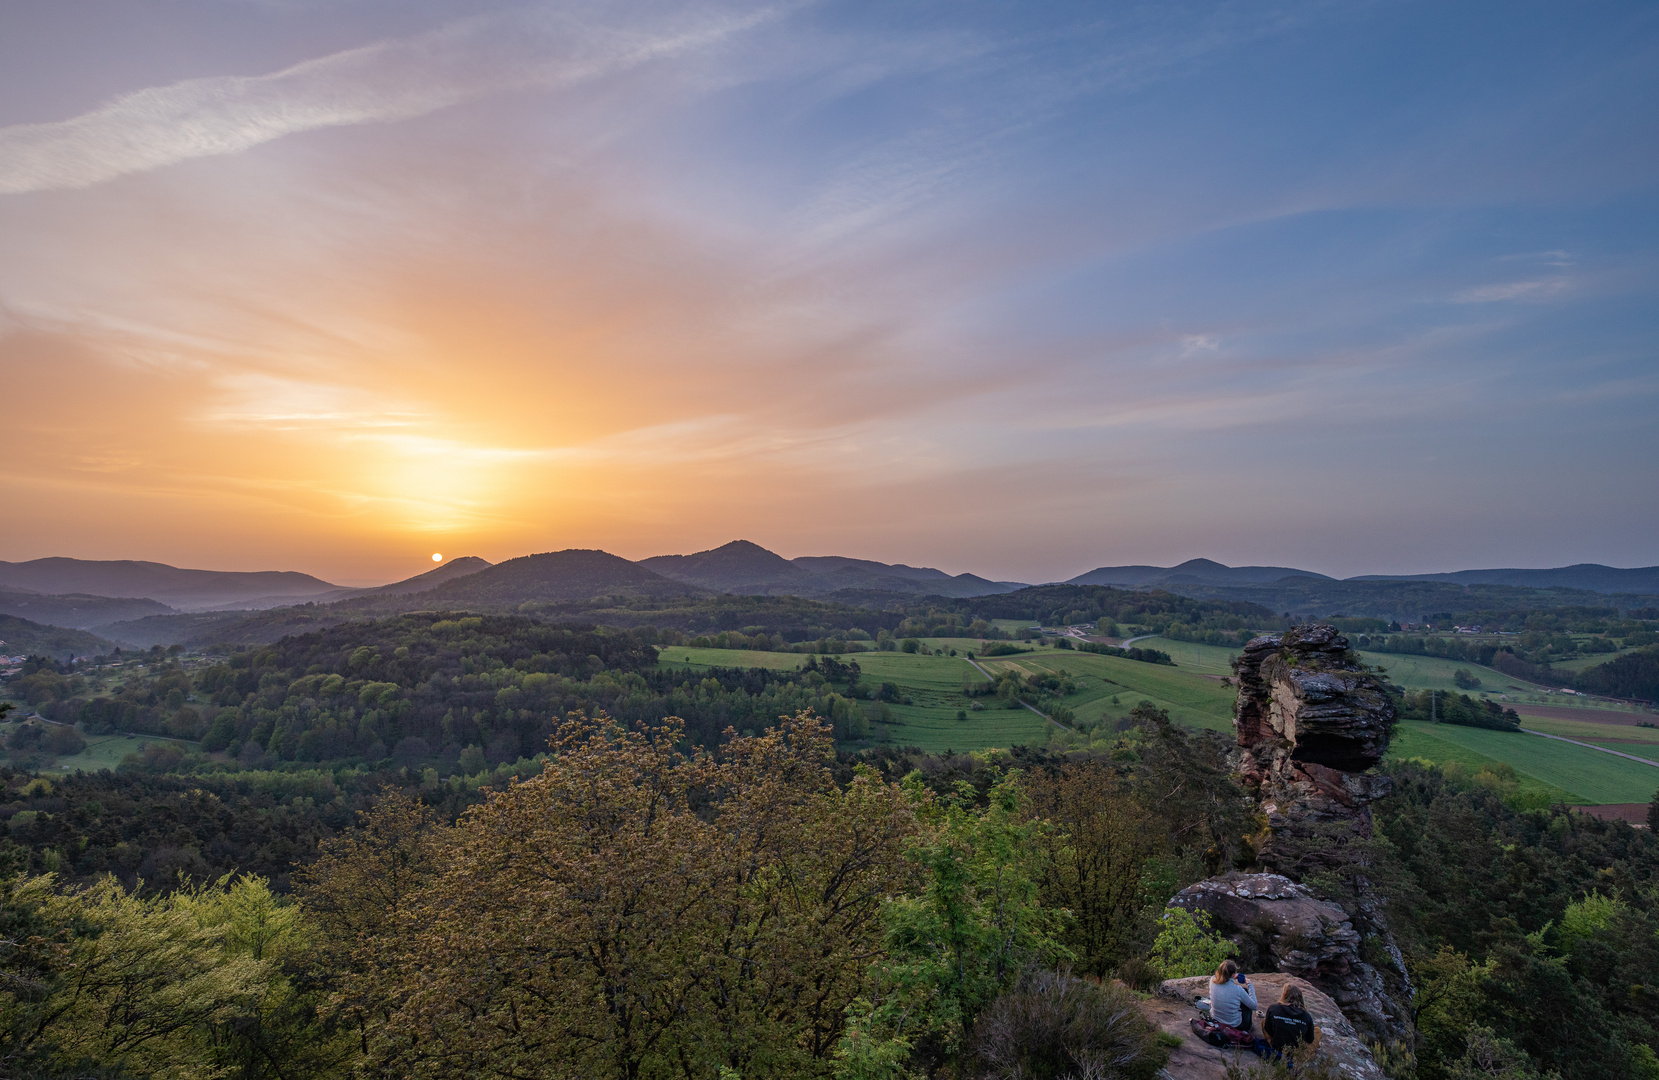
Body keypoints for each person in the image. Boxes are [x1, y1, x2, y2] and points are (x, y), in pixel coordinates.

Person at [1264, 983, 1317, 1061]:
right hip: (1296, 1051)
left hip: (1277, 1046)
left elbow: (1268, 1029)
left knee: (1264, 1022)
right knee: (1317, 1031)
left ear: (1284, 995)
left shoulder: (1273, 1008)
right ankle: (1303, 1055)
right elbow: (1310, 1039)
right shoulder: (1306, 1016)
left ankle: (1274, 1046)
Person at [1208, 959, 1258, 1034]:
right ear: (1232, 974)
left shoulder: (1212, 980)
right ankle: (1249, 1026)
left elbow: (1224, 986)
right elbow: (1254, 1006)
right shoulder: (1238, 990)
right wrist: (1250, 985)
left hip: (1216, 1018)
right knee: (1246, 992)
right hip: (1234, 1025)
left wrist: (1231, 978)